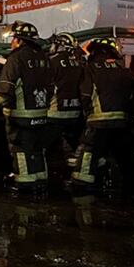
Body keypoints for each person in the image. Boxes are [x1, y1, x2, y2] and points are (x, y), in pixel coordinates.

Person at [71, 37, 134, 189]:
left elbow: (85, 95)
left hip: (97, 123)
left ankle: (82, 189)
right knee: (126, 156)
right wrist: (129, 109)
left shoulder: (90, 69)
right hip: (121, 123)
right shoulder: (124, 70)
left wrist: (88, 113)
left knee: (89, 155)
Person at [0, 21, 53, 187]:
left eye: (14, 39)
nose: (12, 43)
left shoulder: (15, 58)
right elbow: (51, 86)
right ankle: (41, 179)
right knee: (37, 148)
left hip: (21, 115)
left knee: (20, 149)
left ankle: (25, 184)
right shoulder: (43, 58)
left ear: (19, 40)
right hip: (41, 114)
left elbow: (6, 87)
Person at [48, 32, 86, 170]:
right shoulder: (79, 64)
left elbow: (46, 86)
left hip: (55, 113)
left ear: (59, 45)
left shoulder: (52, 62)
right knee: (77, 145)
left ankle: (54, 172)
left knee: (44, 146)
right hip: (75, 113)